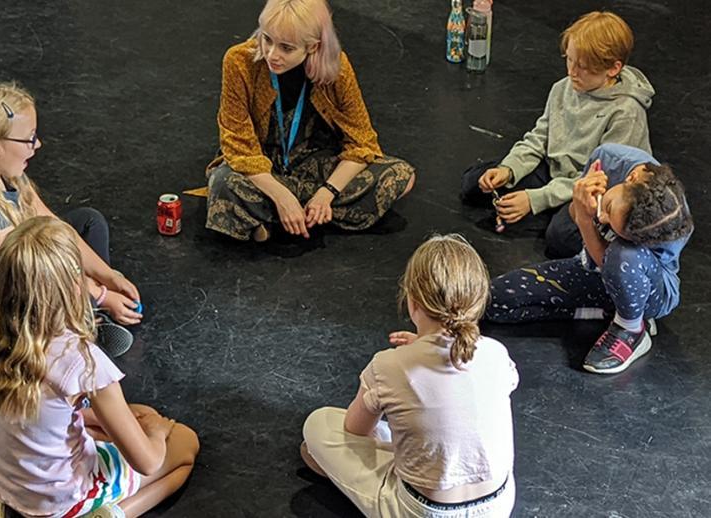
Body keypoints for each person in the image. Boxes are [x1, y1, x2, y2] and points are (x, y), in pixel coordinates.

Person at [0, 217, 199, 518]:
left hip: (6, 483)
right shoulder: (80, 360)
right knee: (184, 444)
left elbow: (42, 412)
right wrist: (157, 433)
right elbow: (148, 462)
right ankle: (113, 513)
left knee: (138, 415)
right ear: (74, 286)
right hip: (61, 500)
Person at [302, 234, 518, 517]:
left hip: (422, 511)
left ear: (412, 302)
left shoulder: (388, 365)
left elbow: (356, 431)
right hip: (497, 506)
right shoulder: (497, 353)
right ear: (478, 302)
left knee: (319, 424)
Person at [0, 81, 141, 349]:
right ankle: (83, 317)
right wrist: (102, 296)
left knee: (88, 221)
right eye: (29, 138)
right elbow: (36, 269)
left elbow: (56, 228)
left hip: (16, 277)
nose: (37, 144)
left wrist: (108, 276)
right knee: (49, 278)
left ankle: (83, 310)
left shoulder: (8, 174)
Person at [205, 0, 415, 242]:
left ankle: (271, 216)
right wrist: (282, 196)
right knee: (223, 182)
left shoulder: (338, 69)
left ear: (313, 47)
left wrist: (327, 192)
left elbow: (362, 142)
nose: (272, 54)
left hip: (312, 162)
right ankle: (304, 213)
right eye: (267, 39)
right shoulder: (238, 61)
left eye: (286, 48)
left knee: (401, 175)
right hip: (260, 165)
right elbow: (238, 146)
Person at [460, 11, 654, 259]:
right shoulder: (563, 87)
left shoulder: (626, 112)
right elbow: (539, 138)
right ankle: (545, 210)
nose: (572, 72)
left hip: (593, 188)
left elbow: (598, 180)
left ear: (613, 68)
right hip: (556, 172)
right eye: (569, 60)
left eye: (584, 67)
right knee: (473, 184)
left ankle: (548, 214)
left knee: (561, 239)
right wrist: (509, 169)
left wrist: (535, 200)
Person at [486, 144, 693, 374]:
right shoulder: (608, 159)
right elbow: (576, 217)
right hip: (597, 266)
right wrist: (579, 202)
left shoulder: (670, 221)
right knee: (495, 301)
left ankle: (631, 328)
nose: (602, 218)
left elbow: (614, 261)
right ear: (631, 177)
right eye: (609, 208)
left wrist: (586, 220)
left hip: (646, 290)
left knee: (623, 254)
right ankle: (607, 312)